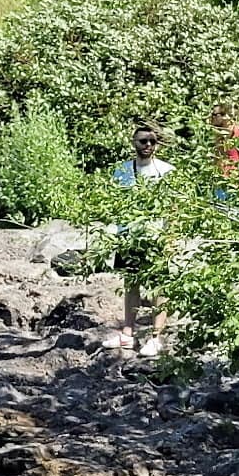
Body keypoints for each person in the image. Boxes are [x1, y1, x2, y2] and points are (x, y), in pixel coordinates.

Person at [104, 125, 174, 356]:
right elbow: (114, 203)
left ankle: (156, 337)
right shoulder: (122, 171)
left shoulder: (166, 171)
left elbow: (173, 209)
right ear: (133, 142)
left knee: (158, 288)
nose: (148, 146)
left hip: (155, 236)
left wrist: (169, 238)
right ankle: (128, 333)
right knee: (131, 284)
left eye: (152, 141)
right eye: (143, 141)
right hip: (129, 237)